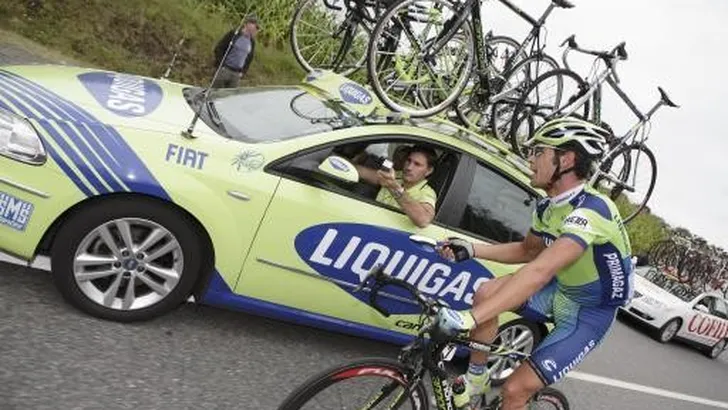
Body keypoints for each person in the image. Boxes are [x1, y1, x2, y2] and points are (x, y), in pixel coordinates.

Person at [435, 117, 633, 410]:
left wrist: (471, 318)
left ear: (565, 159)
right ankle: (476, 378)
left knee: (515, 390)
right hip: (561, 290)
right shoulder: (547, 207)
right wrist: (471, 250)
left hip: (587, 315)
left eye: (539, 151)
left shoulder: (594, 210)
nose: (531, 159)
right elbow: (528, 252)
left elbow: (541, 269)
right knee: (486, 292)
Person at [354, 144, 438, 228]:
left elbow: (423, 220)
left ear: (428, 171)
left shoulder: (427, 192)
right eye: (409, 161)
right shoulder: (397, 175)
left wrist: (393, 186)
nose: (409, 167)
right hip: (369, 223)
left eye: (417, 164)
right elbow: (366, 173)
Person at [212, 14, 260, 88]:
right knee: (216, 92)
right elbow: (219, 48)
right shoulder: (234, 34)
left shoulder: (252, 42)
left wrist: (243, 72)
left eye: (257, 28)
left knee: (231, 96)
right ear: (247, 24)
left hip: (236, 74)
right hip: (225, 69)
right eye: (255, 26)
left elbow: (249, 59)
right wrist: (221, 64)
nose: (256, 30)